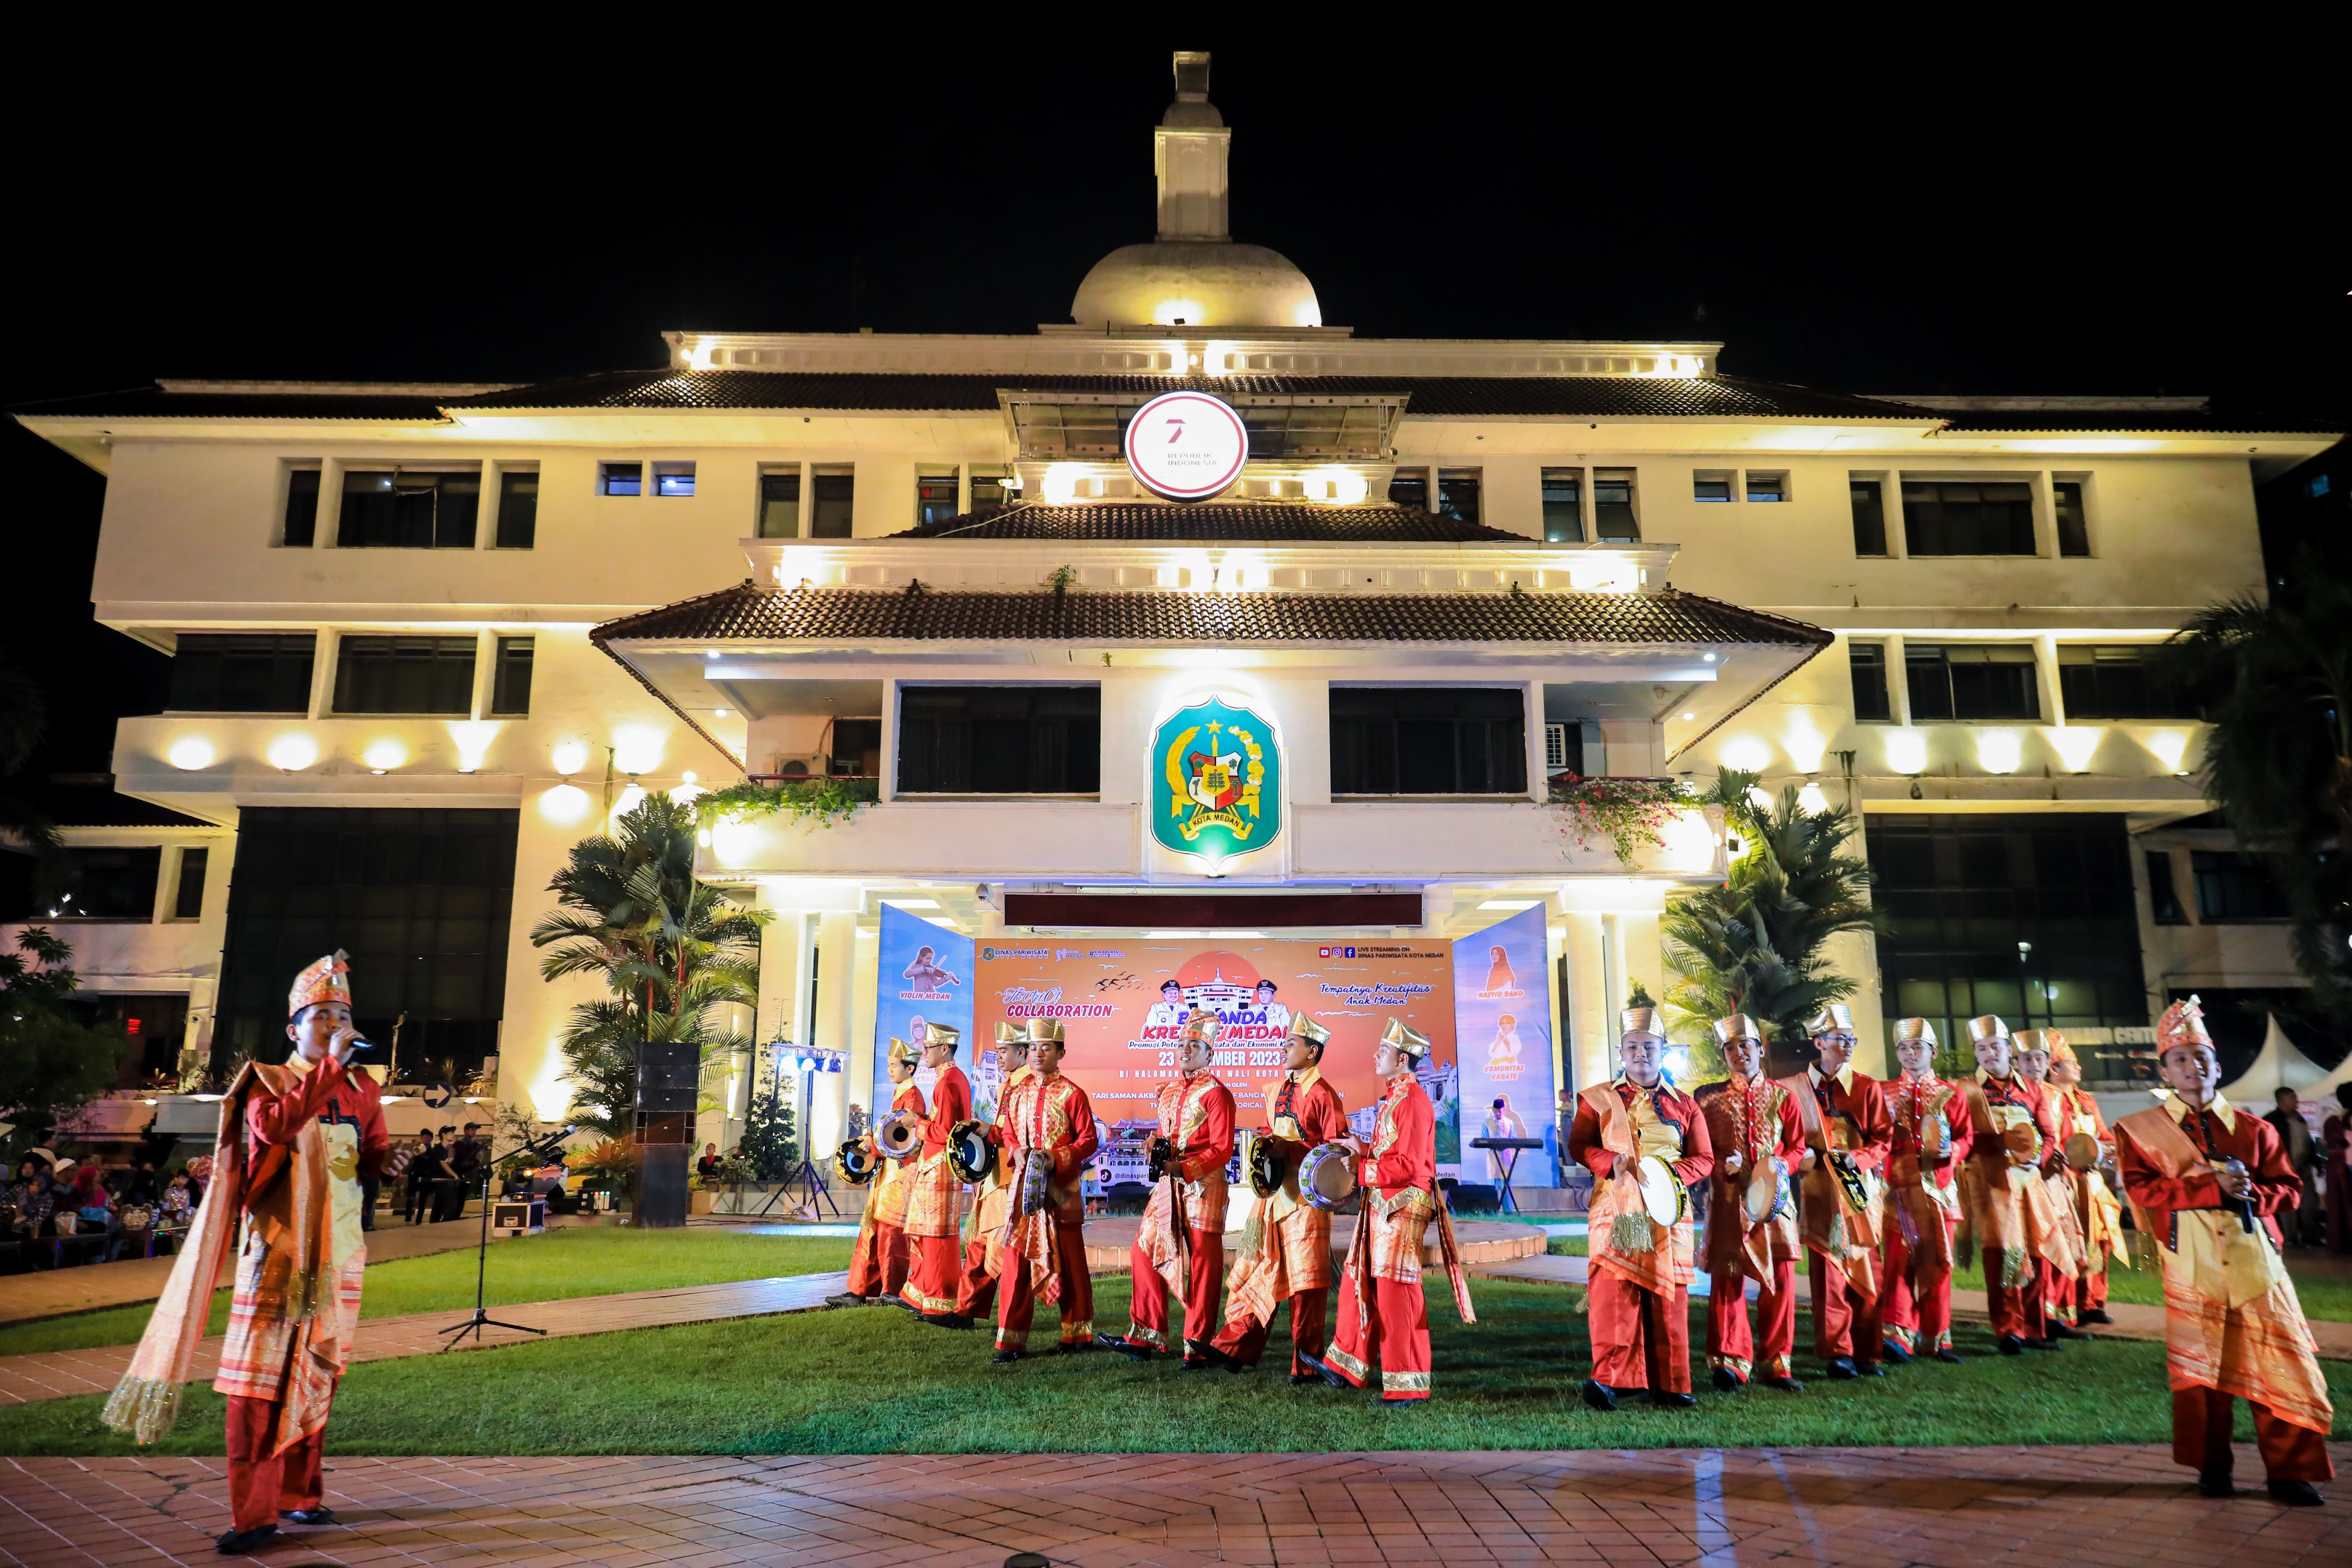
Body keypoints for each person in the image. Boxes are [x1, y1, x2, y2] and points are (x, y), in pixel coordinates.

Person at [103, 950, 388, 1556]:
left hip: (341, 1254)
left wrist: (387, 1160)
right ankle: (253, 1514)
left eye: (344, 1016)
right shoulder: (265, 1082)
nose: (337, 1028)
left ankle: (302, 1498)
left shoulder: (364, 1091)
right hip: (280, 1256)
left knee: (318, 1373)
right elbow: (278, 1130)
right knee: (255, 1389)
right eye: (323, 1017)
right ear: (293, 1029)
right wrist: (330, 1072)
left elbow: (370, 1158)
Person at [2114, 996, 2332, 1507]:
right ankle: (2213, 1468)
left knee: (2285, 1366)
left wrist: (2255, 1194)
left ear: (2219, 1066)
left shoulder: (2255, 1129)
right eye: (2182, 1059)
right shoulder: (2142, 1132)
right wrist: (2213, 1189)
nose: (2194, 1068)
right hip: (2192, 1267)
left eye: (2203, 1058)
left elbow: (2290, 1189)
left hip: (2257, 1264)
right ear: (2166, 1070)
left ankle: (2290, 1472)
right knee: (2201, 1377)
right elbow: (2142, 1191)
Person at [1311, 1019, 1474, 1404]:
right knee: (1358, 1280)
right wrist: (1361, 1148)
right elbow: (1391, 1155)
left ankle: (1408, 1382)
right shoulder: (1395, 1099)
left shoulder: (1414, 1102)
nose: (1375, 1055)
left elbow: (1411, 1165)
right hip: (1383, 1204)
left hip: (1401, 1207)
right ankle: (1344, 1366)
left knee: (1397, 1295)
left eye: (1382, 1051)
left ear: (1402, 1059)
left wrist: (1361, 1169)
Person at [1571, 1006, 1713, 1409]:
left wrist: (1669, 1177)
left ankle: (1672, 1384)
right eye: (1632, 1046)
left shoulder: (1685, 1103)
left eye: (1649, 1046)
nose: (1641, 1054)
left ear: (1662, 1050)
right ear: (1621, 1052)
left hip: (1668, 1212)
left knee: (1669, 1295)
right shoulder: (1598, 1099)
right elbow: (1579, 1146)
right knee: (1615, 1291)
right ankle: (1615, 1381)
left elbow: (1704, 1158)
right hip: (1619, 1208)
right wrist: (1607, 1163)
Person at [1204, 1013, 1347, 1380]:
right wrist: (1268, 1142)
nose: (1283, 1049)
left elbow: (1337, 1152)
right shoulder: (1278, 1089)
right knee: (1255, 1271)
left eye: (1291, 1044)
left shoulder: (1324, 1095)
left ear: (1312, 1052)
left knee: (1306, 1287)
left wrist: (1293, 1150)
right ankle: (1233, 1348)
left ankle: (1305, 1366)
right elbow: (1270, 1130)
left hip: (1306, 1204)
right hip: (1271, 1199)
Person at [1103, 1009, 1236, 1364]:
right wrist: (1153, 1145)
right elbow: (1164, 1137)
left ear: (1210, 1053)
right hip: (1167, 1184)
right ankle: (1145, 1334)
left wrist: (1184, 1167)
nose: (1185, 1050)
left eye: (1195, 1045)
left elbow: (1222, 1149)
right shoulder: (1170, 1091)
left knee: (1204, 1263)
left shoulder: (1218, 1094)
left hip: (1203, 1187)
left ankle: (1197, 1344)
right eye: (1181, 1044)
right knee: (1143, 1250)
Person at [1776, 1004, 1892, 1377]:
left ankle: (1868, 1351)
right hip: (1818, 1188)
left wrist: (1859, 1158)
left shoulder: (1867, 1087)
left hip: (1859, 1188)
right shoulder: (1793, 1089)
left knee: (1866, 1265)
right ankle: (1837, 1352)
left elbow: (1884, 1139)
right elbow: (1783, 1139)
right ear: (1819, 1043)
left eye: (1851, 1039)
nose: (1847, 1045)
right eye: (1839, 1039)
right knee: (1828, 1271)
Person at [1695, 1013, 1806, 1393]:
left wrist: (1777, 1166)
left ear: (1760, 1049)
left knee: (1781, 1280)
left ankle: (1778, 1362)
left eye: (1746, 1045)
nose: (1739, 1052)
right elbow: (1699, 1149)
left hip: (1774, 1199)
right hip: (1728, 1199)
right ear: (1723, 1055)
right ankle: (1731, 1360)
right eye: (1730, 1047)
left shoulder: (1783, 1097)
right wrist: (1719, 1165)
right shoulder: (1707, 1098)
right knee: (1728, 1278)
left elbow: (1798, 1147)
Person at [1956, 1015, 2078, 1353]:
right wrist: (2000, 1143)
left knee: (2038, 1252)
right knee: (2002, 1254)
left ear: (2008, 1049)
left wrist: (2037, 1156)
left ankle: (2035, 1328)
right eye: (1982, 1049)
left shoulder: (2032, 1089)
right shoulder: (1965, 1089)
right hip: (1990, 1181)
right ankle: (2008, 1329)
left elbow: (2050, 1134)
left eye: (1995, 1046)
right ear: (1977, 1054)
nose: (1989, 1053)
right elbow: (1961, 1137)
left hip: (2030, 1181)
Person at [993, 1020, 1100, 1361]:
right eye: (1034, 1048)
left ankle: (1078, 1334)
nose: (1039, 1055)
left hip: (1061, 1191)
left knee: (1070, 1261)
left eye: (1047, 1048)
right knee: (1015, 1261)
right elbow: (1009, 1133)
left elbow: (1089, 1140)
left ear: (1061, 1053)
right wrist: (1016, 1150)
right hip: (1025, 1191)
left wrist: (1058, 1157)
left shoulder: (1073, 1094)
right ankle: (1010, 1340)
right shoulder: (1016, 1091)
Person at [1881, 1018, 1973, 1364]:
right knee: (1898, 1264)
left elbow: (1967, 1137)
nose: (1909, 1053)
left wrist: (1955, 1153)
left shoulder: (1953, 1095)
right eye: (1903, 1048)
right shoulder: (1884, 1091)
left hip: (1940, 1190)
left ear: (1932, 1052)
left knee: (1938, 1265)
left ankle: (1936, 1339)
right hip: (1899, 1191)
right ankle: (1898, 1336)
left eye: (1916, 1047)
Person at [2039, 1032, 2124, 1323]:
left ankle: (2093, 1302)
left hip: (2092, 1182)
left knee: (2099, 1241)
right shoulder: (2043, 1098)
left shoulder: (2086, 1100)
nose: (2078, 1068)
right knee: (2066, 1241)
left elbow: (2104, 1137)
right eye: (2071, 1063)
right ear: (2054, 1068)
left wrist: (2106, 1151)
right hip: (2061, 1182)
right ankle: (2066, 1305)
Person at [953, 1023, 1035, 1324]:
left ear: (1022, 1052)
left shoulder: (1028, 1087)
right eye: (998, 1051)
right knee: (978, 1242)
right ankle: (966, 1310)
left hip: (1011, 1178)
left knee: (1003, 1247)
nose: (999, 1057)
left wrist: (993, 1131)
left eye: (1004, 1051)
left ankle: (1010, 1318)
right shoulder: (1007, 1085)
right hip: (994, 1174)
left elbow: (1024, 1134)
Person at [833, 1038, 923, 1307]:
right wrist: (871, 1138)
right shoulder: (900, 1093)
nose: (889, 1070)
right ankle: (858, 1290)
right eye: (888, 1065)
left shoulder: (913, 1096)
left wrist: (875, 1145)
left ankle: (891, 1290)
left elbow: (908, 1140)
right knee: (872, 1230)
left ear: (911, 1068)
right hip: (888, 1174)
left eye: (894, 1065)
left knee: (891, 1234)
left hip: (900, 1175)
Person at [2012, 1032, 2091, 1336]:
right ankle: (2030, 1319)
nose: (2034, 1064)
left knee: (2064, 1247)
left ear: (2048, 1064)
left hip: (2056, 1183)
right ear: (2016, 1062)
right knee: (2032, 1252)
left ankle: (2058, 1313)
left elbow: (2069, 1140)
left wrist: (2080, 1159)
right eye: (2027, 1058)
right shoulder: (2013, 1093)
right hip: (2024, 1184)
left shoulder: (2058, 1097)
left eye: (2040, 1058)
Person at [903, 1023, 973, 1322]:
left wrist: (915, 1124)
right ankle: (929, 1297)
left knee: (939, 1236)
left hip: (940, 1168)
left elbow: (944, 1131)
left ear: (944, 1049)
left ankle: (941, 1301)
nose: (924, 1054)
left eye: (929, 1049)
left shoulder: (947, 1082)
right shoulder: (953, 1078)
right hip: (939, 1166)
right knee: (933, 1234)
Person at [2263, 1087, 2323, 1248]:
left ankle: (2311, 1236)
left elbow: (2308, 1143)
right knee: (2287, 1204)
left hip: (2303, 1168)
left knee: (2311, 1202)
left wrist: (2315, 1163)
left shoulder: (2299, 1119)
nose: (2297, 1100)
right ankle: (2289, 1238)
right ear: (2282, 1100)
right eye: (2293, 1097)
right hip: (2283, 1169)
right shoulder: (2271, 1120)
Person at [1479, 1095, 1527, 1189]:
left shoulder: (1510, 1123)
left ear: (1504, 1110)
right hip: (1492, 1157)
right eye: (1496, 1111)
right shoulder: (1486, 1123)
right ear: (1493, 1110)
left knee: (1506, 1186)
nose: (1498, 1114)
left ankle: (1507, 1204)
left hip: (1506, 1157)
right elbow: (1483, 1139)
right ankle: (1494, 1204)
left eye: (1500, 1111)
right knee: (1493, 1187)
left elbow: (1513, 1138)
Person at [2327, 1084, 2352, 1255]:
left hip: (2336, 1164)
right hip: (2345, 1164)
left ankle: (2342, 1241)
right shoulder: (2344, 1119)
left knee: (2341, 1204)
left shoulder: (2332, 1120)